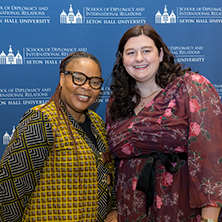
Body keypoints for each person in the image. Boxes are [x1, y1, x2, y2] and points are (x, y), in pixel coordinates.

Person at [105, 24, 222, 222]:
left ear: (160, 55)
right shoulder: (116, 102)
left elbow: (210, 155)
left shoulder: (190, 86)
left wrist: (209, 217)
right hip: (130, 209)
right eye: (131, 52)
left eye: (146, 51)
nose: (139, 58)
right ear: (122, 59)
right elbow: (114, 164)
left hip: (179, 206)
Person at [0, 51, 117, 222]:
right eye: (78, 78)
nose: (86, 86)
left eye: (94, 82)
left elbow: (108, 176)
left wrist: (113, 209)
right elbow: (10, 190)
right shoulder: (41, 121)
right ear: (62, 78)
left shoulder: (97, 123)